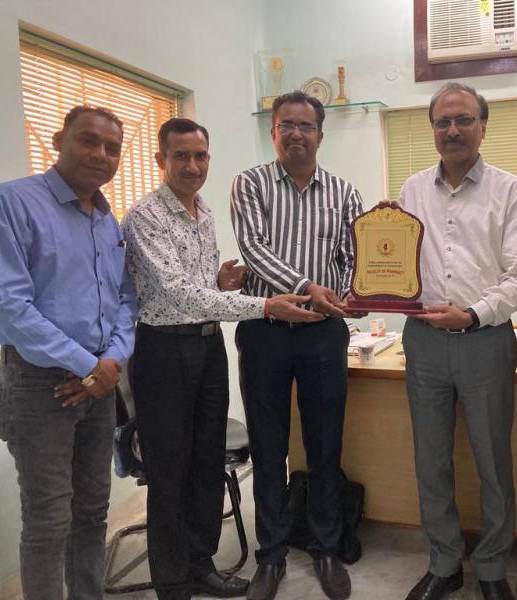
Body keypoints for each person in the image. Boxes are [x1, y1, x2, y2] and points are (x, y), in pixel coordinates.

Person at [122, 118, 318, 599]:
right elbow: (175, 294)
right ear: (161, 160)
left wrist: (220, 282)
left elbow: (194, 290)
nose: (192, 166)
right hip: (163, 352)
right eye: (181, 156)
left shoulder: (204, 211)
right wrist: (264, 305)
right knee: (170, 471)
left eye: (200, 156)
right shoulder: (145, 217)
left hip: (208, 347)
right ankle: (173, 583)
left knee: (206, 462)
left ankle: (201, 563)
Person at [0, 105, 137, 599]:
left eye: (112, 148)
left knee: (92, 511)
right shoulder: (11, 203)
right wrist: (89, 366)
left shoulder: (108, 222)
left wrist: (110, 362)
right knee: (49, 520)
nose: (102, 154)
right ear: (57, 141)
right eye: (89, 141)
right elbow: (10, 307)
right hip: (38, 384)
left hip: (99, 382)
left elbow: (124, 301)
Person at [396, 82, 517, 600]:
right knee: (430, 459)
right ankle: (445, 563)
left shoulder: (510, 190)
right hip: (423, 341)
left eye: (463, 120)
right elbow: (399, 264)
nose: (452, 130)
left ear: (483, 125)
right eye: (442, 122)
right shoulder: (411, 190)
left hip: (485, 339)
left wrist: (473, 314)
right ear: (432, 129)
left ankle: (493, 567)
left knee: (493, 459)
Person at [230, 91, 364, 600]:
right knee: (268, 448)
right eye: (286, 124)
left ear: (321, 135)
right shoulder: (251, 183)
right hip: (264, 330)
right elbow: (253, 249)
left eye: (306, 126)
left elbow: (352, 257)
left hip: (323, 334)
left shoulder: (345, 193)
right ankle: (271, 555)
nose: (296, 133)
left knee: (325, 444)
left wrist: (350, 296)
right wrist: (308, 287)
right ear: (273, 132)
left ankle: (326, 547)